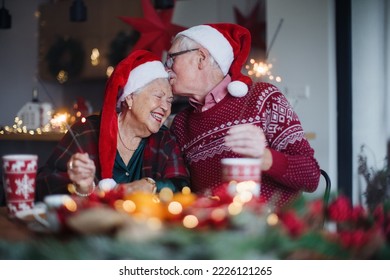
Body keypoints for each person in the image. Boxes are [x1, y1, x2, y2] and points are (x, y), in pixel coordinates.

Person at [166, 23, 321, 207]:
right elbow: (183, 190)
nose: (166, 69)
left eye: (171, 59)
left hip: (274, 229)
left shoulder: (262, 98)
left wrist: (263, 157)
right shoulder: (181, 124)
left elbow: (311, 177)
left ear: (201, 58)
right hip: (215, 229)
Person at [36, 50, 190, 201]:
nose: (165, 107)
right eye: (158, 96)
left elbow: (182, 186)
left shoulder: (164, 140)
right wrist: (82, 187)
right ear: (129, 98)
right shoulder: (86, 132)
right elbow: (43, 184)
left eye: (169, 101)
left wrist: (151, 186)